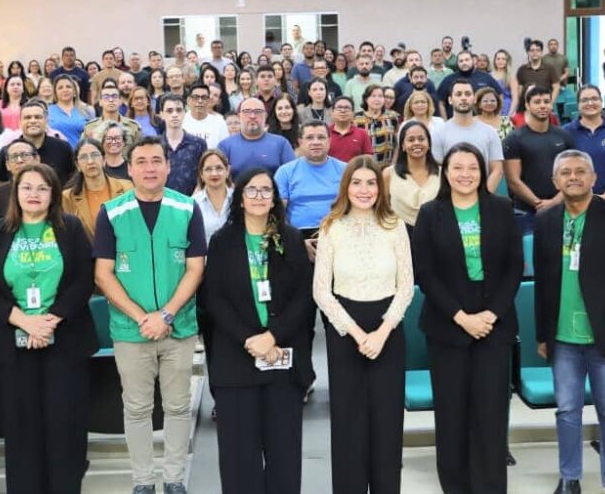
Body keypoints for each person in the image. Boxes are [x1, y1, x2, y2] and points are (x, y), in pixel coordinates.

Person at [93, 136, 207, 494]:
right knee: (138, 408)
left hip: (179, 327)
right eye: (141, 161)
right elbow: (103, 274)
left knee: (177, 406)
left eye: (156, 160)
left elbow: (195, 268)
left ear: (168, 166)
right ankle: (143, 481)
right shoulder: (111, 212)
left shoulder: (187, 208)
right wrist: (143, 317)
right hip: (131, 330)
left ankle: (174, 479)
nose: (149, 168)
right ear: (129, 169)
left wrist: (167, 315)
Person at [533, 149, 605, 494]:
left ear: (594, 177)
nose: (573, 177)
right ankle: (570, 478)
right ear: (555, 181)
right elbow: (542, 284)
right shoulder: (546, 221)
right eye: (565, 172)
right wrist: (543, 334)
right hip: (563, 339)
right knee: (567, 411)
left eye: (580, 171)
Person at [0, 163, 98, 494]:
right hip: (13, 344)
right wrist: (23, 320)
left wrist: (50, 320)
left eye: (42, 188)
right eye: (27, 187)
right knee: (22, 428)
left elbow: (84, 279)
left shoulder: (69, 228)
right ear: (15, 192)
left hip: (65, 343)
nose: (34, 194)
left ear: (54, 194)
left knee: (64, 426)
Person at [413, 142, 522, 493]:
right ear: (445, 172)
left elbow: (514, 267)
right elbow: (425, 273)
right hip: (448, 322)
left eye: (472, 167)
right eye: (457, 167)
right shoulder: (431, 213)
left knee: (490, 414)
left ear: (483, 171)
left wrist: (490, 314)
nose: (465, 174)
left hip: (495, 322)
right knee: (451, 413)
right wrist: (461, 317)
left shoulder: (502, 209)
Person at [202, 167, 314, 494]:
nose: (259, 197)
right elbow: (214, 298)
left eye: (266, 191)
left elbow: (304, 295)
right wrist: (249, 339)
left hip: (281, 357)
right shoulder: (222, 241)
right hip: (237, 359)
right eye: (252, 190)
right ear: (239, 198)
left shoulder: (290, 238)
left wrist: (273, 335)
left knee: (284, 453)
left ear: (275, 199)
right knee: (239, 457)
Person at [314, 155, 413, 493]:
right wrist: (358, 334)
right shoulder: (331, 227)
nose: (364, 189)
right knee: (348, 422)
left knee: (387, 423)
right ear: (346, 186)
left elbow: (406, 286)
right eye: (357, 182)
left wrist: (382, 333)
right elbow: (321, 292)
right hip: (345, 333)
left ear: (380, 187)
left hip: (388, 331)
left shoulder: (394, 225)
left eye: (371, 182)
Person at [503, 86, 574, 235]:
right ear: (527, 106)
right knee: (529, 256)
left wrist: (554, 202)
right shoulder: (514, 139)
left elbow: (571, 175)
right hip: (525, 212)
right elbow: (513, 180)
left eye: (546, 101)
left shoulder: (564, 136)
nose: (543, 105)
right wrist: (539, 204)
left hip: (561, 209)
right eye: (537, 102)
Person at [274, 121, 346, 237]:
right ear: (300, 142)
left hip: (339, 234)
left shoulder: (345, 170)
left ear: (329, 141)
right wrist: (296, 242)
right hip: (298, 235)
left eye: (321, 137)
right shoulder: (285, 172)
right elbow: (278, 213)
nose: (316, 142)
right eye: (310, 138)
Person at [433, 79, 504, 193]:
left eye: (468, 94)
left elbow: (497, 169)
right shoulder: (439, 132)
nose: (463, 98)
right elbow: (437, 170)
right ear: (450, 100)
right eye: (458, 94)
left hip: (482, 199)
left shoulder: (490, 132)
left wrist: (484, 196)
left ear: (474, 99)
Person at [61, 138, 133, 242]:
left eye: (95, 155)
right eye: (84, 157)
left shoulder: (127, 187)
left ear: (104, 160)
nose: (90, 161)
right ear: (77, 165)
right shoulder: (67, 197)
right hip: (87, 255)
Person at [0, 100, 75, 184]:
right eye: (27, 117)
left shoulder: (63, 148)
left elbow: (73, 178)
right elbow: (0, 185)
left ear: (46, 120)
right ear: (20, 122)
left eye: (38, 117)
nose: (33, 121)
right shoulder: (8, 152)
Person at [383, 121, 440, 233]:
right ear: (403, 146)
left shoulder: (443, 174)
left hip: (436, 234)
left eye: (421, 139)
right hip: (399, 235)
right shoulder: (389, 174)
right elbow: (383, 209)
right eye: (411, 140)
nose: (416, 143)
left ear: (429, 143)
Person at [219, 97, 296, 179]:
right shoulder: (225, 146)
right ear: (239, 116)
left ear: (265, 116)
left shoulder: (281, 144)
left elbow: (292, 177)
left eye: (258, 112)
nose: (252, 116)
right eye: (247, 112)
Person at [157, 94, 207, 196]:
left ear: (185, 113)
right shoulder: (155, 145)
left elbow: (204, 175)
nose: (175, 114)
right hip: (161, 204)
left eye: (179, 110)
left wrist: (193, 200)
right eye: (169, 111)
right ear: (162, 114)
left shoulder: (198, 144)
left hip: (191, 203)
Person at [0, 139, 38, 227]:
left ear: (37, 159)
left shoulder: (49, 190)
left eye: (25, 155)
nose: (19, 160)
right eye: (14, 157)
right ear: (7, 165)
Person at [437, 51, 502, 118]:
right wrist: (444, 122)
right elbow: (440, 102)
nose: (464, 63)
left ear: (473, 61)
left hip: (482, 122)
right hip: (455, 122)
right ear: (457, 63)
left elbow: (500, 95)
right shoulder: (448, 79)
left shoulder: (486, 77)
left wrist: (497, 115)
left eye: (467, 60)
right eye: (461, 61)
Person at [83, 82, 142, 149]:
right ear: (100, 102)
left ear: (120, 101)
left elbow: (140, 151)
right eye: (106, 97)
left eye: (114, 96)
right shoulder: (89, 127)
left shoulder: (133, 127)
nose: (111, 100)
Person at [353, 84, 400, 165]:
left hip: (387, 166)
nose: (377, 99)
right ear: (366, 99)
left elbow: (397, 144)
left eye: (380, 96)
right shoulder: (356, 119)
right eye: (373, 96)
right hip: (363, 167)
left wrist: (393, 164)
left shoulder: (392, 117)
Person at [47, 75, 92, 147]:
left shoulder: (87, 111)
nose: (65, 90)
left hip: (81, 155)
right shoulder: (47, 111)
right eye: (60, 88)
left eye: (68, 87)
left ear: (74, 91)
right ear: (55, 93)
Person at [516, 40, 561, 109]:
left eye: (538, 50)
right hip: (527, 107)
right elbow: (519, 90)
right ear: (528, 52)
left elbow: (556, 87)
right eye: (532, 50)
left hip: (544, 106)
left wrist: (550, 103)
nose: (535, 52)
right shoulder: (522, 70)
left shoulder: (550, 68)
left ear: (541, 52)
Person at [327, 96, 373, 163]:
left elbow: (368, 158)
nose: (343, 111)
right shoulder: (325, 133)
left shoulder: (362, 134)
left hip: (354, 172)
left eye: (347, 108)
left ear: (353, 113)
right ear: (332, 113)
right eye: (339, 108)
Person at [183, 83, 230, 148]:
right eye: (195, 97)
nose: (200, 101)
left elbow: (224, 149)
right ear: (188, 100)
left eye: (204, 97)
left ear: (208, 101)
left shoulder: (219, 122)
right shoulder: (181, 121)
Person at [490, 49, 519, 116]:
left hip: (506, 108)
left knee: (503, 126)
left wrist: (510, 114)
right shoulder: (489, 76)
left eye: (503, 59)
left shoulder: (511, 77)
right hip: (491, 107)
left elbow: (515, 98)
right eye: (498, 59)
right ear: (495, 61)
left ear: (507, 61)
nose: (500, 61)